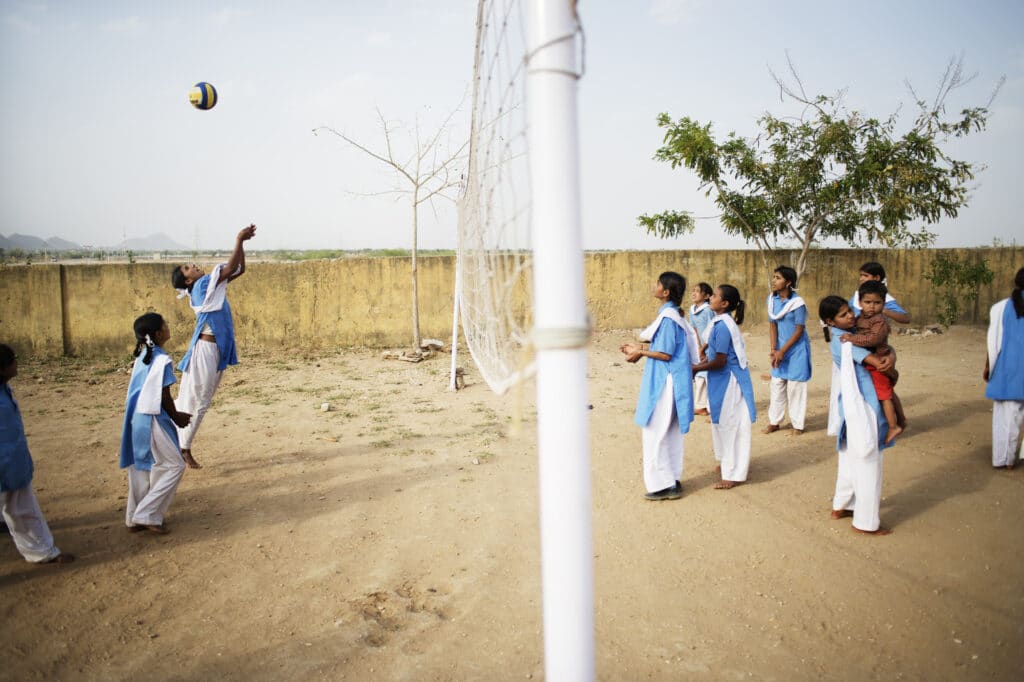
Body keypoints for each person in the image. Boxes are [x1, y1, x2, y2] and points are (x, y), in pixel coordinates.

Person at [172, 224, 256, 469]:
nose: (194, 266)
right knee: (198, 400)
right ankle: (183, 447)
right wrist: (239, 239)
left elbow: (238, 269)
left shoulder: (208, 286)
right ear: (187, 279)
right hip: (206, 351)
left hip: (213, 350)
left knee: (196, 397)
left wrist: (242, 245)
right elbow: (231, 268)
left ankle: (178, 442)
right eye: (188, 268)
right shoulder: (201, 286)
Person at [819, 295, 898, 535]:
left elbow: (883, 348)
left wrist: (890, 352)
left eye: (849, 311)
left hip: (853, 405)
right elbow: (881, 363)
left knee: (849, 456)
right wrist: (890, 358)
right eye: (843, 315)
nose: (851, 316)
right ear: (830, 321)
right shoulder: (846, 342)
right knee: (868, 461)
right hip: (864, 404)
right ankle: (865, 522)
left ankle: (842, 505)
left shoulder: (848, 335)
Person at [621, 272, 700, 501]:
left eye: (657, 284)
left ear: (665, 292)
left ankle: (663, 484)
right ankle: (672, 478)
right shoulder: (672, 316)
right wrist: (639, 347)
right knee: (669, 432)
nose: (653, 286)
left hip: (665, 383)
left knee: (655, 432)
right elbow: (663, 345)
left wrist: (641, 351)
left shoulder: (668, 318)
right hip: (671, 381)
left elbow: (665, 353)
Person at [0, 344, 74, 564]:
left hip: (13, 462)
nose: (17, 363)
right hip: (7, 464)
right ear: (3, 369)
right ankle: (42, 551)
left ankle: (41, 550)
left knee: (20, 506)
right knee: (21, 508)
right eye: (13, 360)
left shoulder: (6, 391)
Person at [119, 313, 192, 534]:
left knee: (140, 468)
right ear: (159, 333)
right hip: (153, 419)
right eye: (166, 325)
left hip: (137, 418)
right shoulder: (161, 360)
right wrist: (177, 417)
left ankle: (133, 518)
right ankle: (147, 514)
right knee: (175, 465)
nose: (169, 327)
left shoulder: (144, 356)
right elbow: (164, 396)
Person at [690, 285, 756, 489]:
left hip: (729, 380)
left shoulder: (723, 326)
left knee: (731, 425)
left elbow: (720, 360)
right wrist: (702, 354)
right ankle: (727, 461)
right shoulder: (719, 322)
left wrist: (696, 367)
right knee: (720, 422)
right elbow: (713, 348)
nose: (711, 297)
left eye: (716, 296)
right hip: (721, 380)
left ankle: (733, 473)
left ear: (725, 303)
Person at [840, 280, 904, 444]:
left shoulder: (879, 321)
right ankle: (900, 421)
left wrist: (852, 339)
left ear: (884, 304)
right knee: (885, 393)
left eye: (877, 303)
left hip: (879, 363)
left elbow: (874, 339)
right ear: (860, 302)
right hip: (869, 362)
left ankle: (892, 426)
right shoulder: (860, 317)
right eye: (867, 302)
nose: (872, 306)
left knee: (884, 395)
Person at [983, 267, 1024, 469]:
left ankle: (1004, 459)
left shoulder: (1001, 308)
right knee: (1012, 418)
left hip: (1007, 370)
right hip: (1014, 370)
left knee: (1004, 419)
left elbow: (993, 343)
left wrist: (988, 366)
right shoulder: (1003, 307)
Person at [764, 265, 811, 435]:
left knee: (795, 387)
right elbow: (773, 325)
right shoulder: (771, 300)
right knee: (777, 384)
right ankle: (774, 421)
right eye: (774, 277)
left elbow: (799, 330)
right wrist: (773, 349)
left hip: (796, 349)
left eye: (778, 277)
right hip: (779, 348)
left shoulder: (797, 303)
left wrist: (783, 351)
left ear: (788, 282)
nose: (774, 280)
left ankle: (797, 424)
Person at [689, 282, 715, 416]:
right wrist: (698, 348)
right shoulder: (692, 310)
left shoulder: (708, 310)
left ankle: (711, 406)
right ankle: (700, 405)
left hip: (712, 347)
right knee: (699, 376)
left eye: (697, 291)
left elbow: (712, 330)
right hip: (701, 349)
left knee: (709, 376)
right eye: (693, 290)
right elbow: (694, 330)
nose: (693, 293)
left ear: (706, 296)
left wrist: (704, 347)